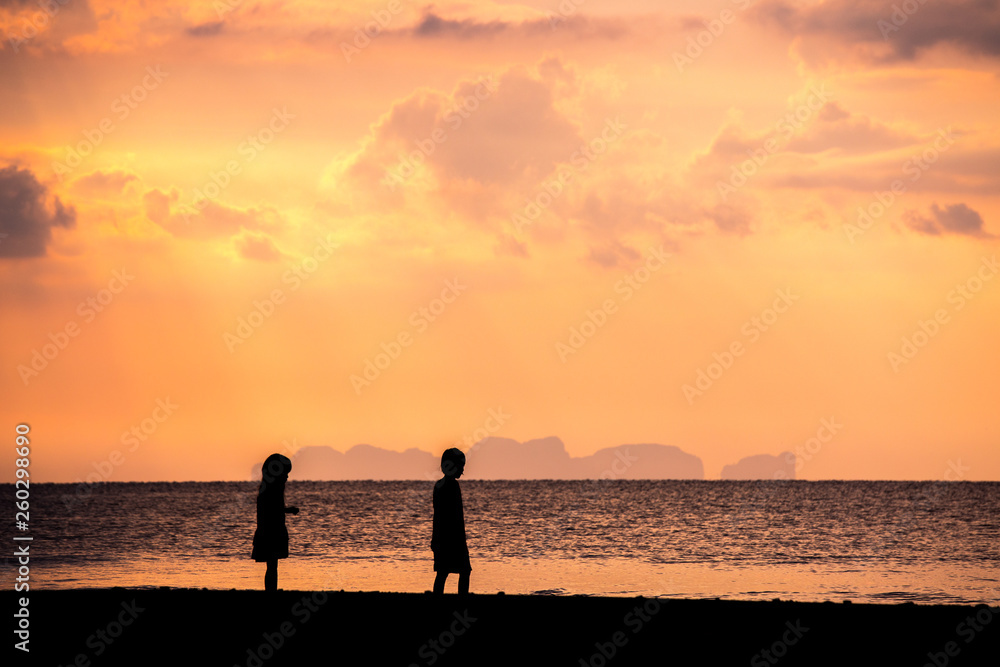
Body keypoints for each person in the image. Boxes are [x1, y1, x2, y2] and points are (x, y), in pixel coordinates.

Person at [251, 453, 299, 591]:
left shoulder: (267, 491)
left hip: (270, 531)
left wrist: (287, 510)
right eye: (285, 473)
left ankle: (271, 590)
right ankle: (271, 591)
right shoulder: (270, 492)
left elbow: (274, 509)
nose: (287, 477)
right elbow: (272, 510)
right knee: (272, 565)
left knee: (272, 566)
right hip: (272, 532)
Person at [432, 448, 471, 595]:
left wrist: (435, 538)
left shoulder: (439, 486)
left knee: (443, 572)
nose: (462, 470)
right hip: (453, 537)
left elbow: (437, 516)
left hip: (443, 537)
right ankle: (462, 600)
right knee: (464, 571)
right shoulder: (452, 486)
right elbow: (455, 516)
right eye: (461, 466)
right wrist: (461, 538)